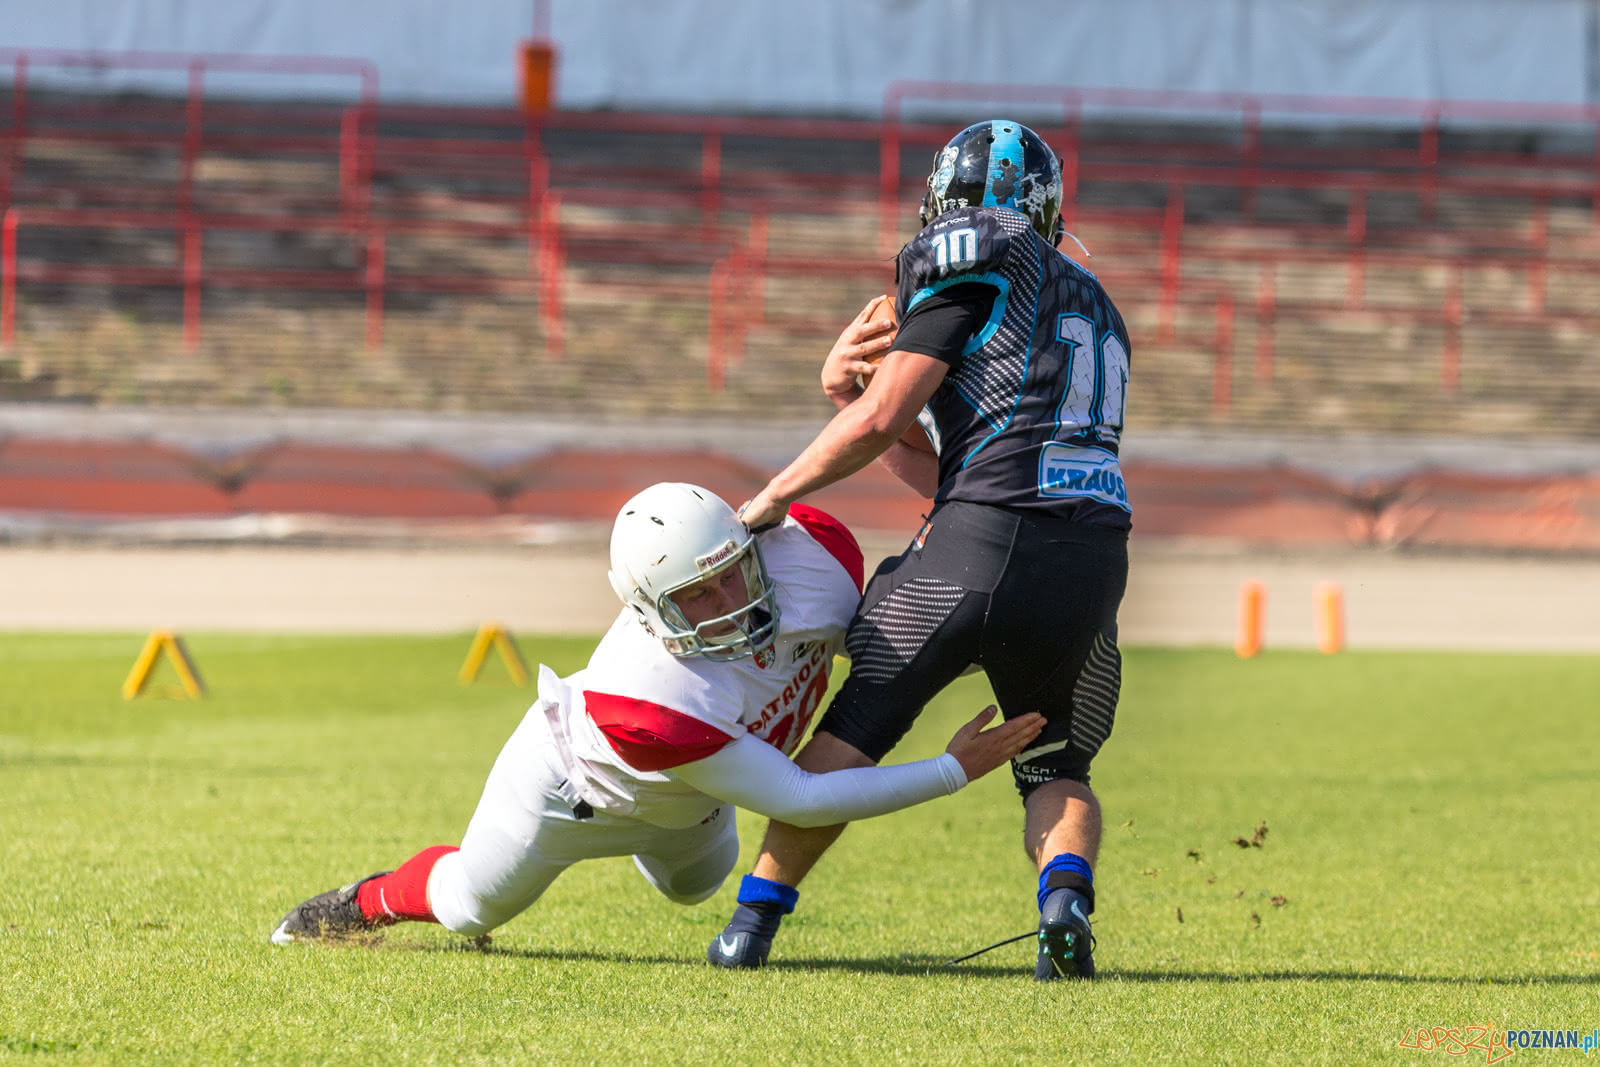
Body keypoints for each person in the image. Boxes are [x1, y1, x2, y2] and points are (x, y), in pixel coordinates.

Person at [708, 119, 1133, 980]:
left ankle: (750, 924)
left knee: (855, 730)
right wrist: (846, 390)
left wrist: (768, 498)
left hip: (974, 548)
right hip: (1088, 563)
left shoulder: (971, 270)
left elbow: (881, 422)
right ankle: (1062, 906)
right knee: (1059, 762)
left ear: (946, 199)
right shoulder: (1093, 304)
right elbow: (954, 464)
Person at [270, 482, 1042, 949]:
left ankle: (668, 832)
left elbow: (886, 645)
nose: (729, 601)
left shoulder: (814, 558)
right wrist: (950, 770)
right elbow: (800, 798)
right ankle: (360, 899)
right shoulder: (649, 690)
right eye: (695, 597)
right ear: (648, 610)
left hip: (694, 796)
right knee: (470, 906)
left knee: (694, 889)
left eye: (732, 572)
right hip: (575, 790)